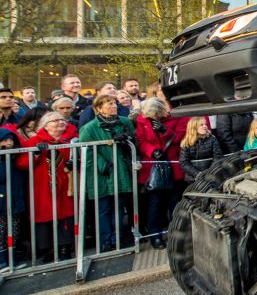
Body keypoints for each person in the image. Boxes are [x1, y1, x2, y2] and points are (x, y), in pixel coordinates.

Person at [78, 93, 136, 252]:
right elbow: (86, 151)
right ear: (99, 109)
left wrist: (127, 140)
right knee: (103, 209)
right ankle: (105, 240)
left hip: (121, 170)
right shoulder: (89, 128)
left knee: (119, 208)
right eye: (109, 104)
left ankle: (117, 238)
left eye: (114, 103)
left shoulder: (124, 122)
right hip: (102, 174)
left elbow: (134, 141)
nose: (114, 106)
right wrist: (103, 165)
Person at [16, 111, 75, 262]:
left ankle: (64, 247)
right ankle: (45, 249)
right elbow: (22, 164)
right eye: (56, 121)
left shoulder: (65, 142)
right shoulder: (35, 141)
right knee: (43, 215)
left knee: (65, 215)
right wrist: (35, 153)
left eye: (63, 120)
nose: (61, 123)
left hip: (63, 185)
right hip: (42, 186)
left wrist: (73, 164)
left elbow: (71, 162)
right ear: (46, 125)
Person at [135, 98, 187, 249]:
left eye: (156, 115)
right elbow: (141, 140)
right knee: (155, 205)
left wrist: (165, 131)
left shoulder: (176, 117)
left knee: (174, 203)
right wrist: (152, 151)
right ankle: (155, 236)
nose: (154, 118)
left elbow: (180, 138)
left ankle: (178, 235)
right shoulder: (143, 120)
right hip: (154, 166)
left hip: (172, 164)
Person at [0, 127, 27, 269]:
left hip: (15, 199)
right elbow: (2, 176)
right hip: (2, 201)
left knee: (14, 229)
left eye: (10, 140)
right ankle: (2, 260)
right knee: (1, 230)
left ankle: (11, 259)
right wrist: (4, 159)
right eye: (4, 140)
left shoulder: (14, 156)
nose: (9, 143)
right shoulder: (5, 158)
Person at [178, 117, 223, 182]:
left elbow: (217, 157)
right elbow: (183, 162)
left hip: (212, 176)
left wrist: (209, 173)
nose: (205, 126)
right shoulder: (186, 142)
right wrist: (198, 174)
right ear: (194, 127)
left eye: (205, 124)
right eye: (201, 125)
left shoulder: (212, 139)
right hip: (193, 178)